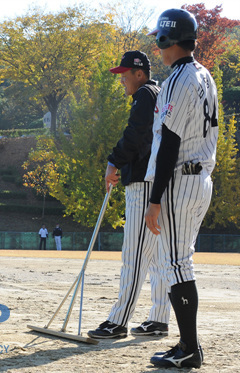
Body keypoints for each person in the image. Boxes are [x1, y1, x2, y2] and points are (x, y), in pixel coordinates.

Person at [144, 9, 217, 369]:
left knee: (176, 264)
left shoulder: (176, 79)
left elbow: (169, 143)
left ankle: (189, 347)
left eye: (159, 39)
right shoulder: (205, 75)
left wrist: (154, 199)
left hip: (181, 179)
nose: (158, 46)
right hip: (201, 177)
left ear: (166, 40)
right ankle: (188, 345)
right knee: (180, 261)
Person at [88, 51, 171, 340]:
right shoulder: (160, 92)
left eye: (125, 74)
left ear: (140, 73)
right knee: (160, 257)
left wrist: (114, 161)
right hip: (159, 182)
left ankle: (118, 321)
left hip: (143, 181)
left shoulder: (145, 94)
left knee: (135, 255)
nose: (121, 79)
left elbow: (135, 133)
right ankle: (159, 319)